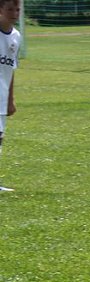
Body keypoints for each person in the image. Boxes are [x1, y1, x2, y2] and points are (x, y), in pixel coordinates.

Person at [0, 0, 21, 192]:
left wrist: (10, 99)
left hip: (2, 95)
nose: (15, 13)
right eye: (10, 9)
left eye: (17, 9)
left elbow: (11, 69)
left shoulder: (16, 36)